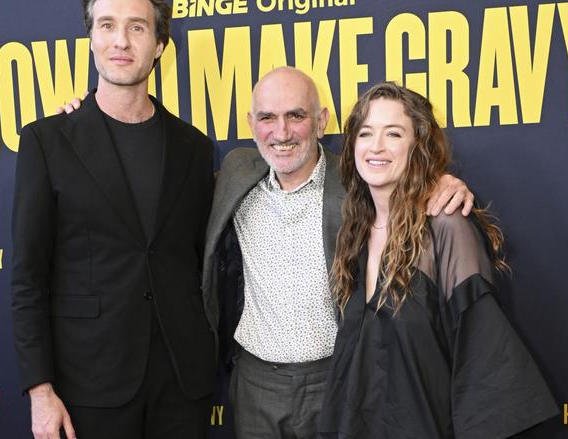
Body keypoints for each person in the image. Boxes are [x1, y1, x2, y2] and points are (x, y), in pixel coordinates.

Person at [201, 67, 474, 439]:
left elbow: (403, 179)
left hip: (337, 378)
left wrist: (440, 182)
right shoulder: (235, 173)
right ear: (252, 123)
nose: (281, 133)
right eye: (267, 118)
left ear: (320, 121)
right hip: (255, 384)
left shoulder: (356, 181)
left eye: (296, 115)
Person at [11, 0, 215, 439]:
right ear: (91, 40)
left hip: (182, 385)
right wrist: (40, 391)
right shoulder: (47, 141)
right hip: (88, 384)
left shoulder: (195, 148)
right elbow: (27, 278)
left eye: (137, 27)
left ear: (160, 46)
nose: (121, 41)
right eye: (107, 26)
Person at [319, 81, 558, 438]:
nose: (377, 147)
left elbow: (483, 359)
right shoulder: (354, 234)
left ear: (418, 145)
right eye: (366, 133)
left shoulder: (446, 226)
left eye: (394, 134)